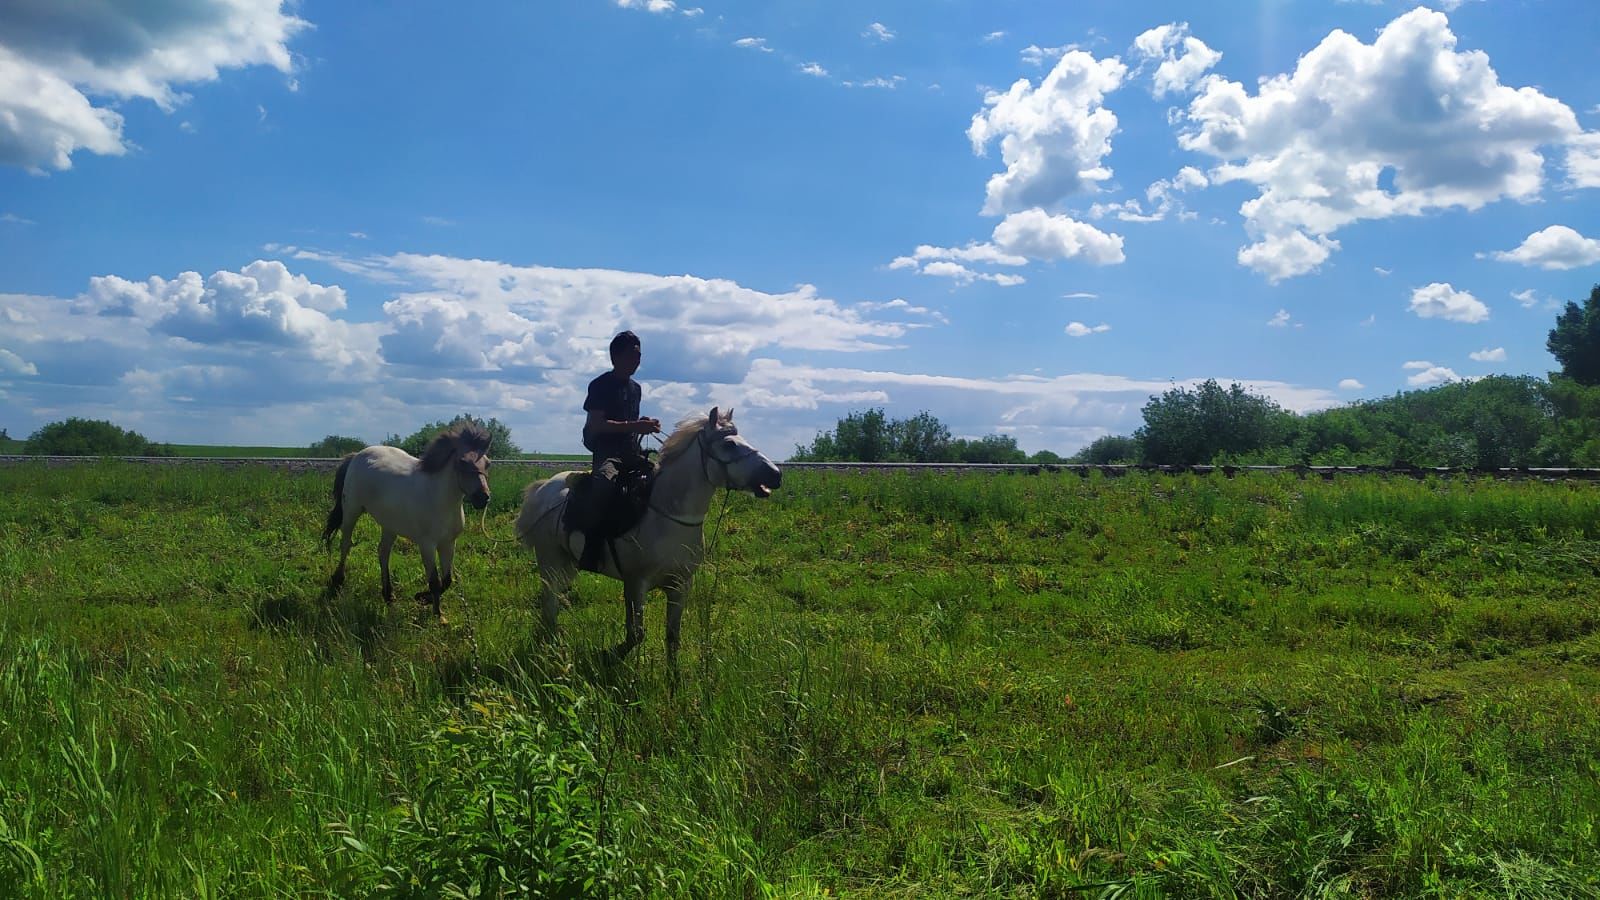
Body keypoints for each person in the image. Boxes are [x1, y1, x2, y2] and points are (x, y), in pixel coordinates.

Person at [576, 331, 661, 570]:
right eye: (632, 355)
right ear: (615, 357)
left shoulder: (636, 389)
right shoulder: (600, 385)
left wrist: (644, 424)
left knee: (662, 479)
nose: (637, 361)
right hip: (608, 453)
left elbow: (628, 423)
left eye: (639, 356)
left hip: (630, 452)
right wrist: (636, 425)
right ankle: (591, 546)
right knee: (603, 482)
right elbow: (597, 425)